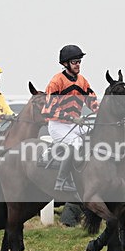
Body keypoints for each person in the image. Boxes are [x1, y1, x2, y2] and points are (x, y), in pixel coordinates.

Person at [42, 44, 99, 192]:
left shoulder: (82, 81)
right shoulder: (56, 81)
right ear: (65, 64)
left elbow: (91, 99)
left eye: (79, 62)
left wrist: (100, 112)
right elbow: (50, 109)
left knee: (95, 137)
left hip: (75, 124)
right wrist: (72, 118)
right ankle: (61, 181)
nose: (78, 65)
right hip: (58, 125)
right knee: (76, 144)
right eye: (75, 62)